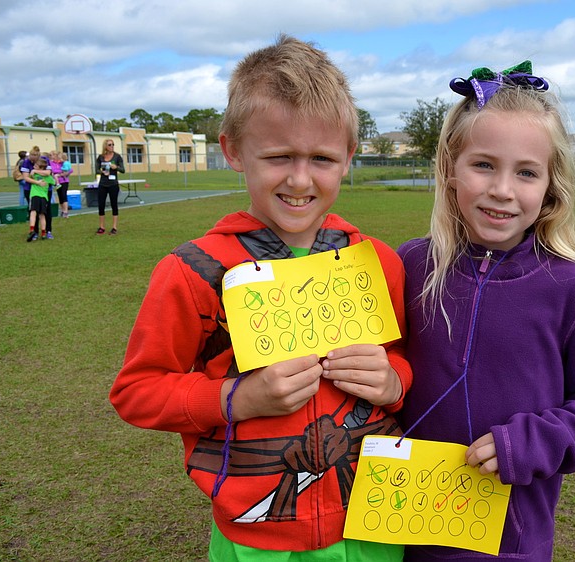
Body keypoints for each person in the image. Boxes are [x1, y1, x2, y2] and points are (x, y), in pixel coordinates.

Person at [109, 35, 411, 562]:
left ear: (348, 158)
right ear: (232, 151)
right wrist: (236, 399)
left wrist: (392, 381)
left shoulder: (378, 261)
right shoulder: (192, 271)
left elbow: (406, 363)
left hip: (373, 525)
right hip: (254, 538)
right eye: (278, 157)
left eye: (321, 158)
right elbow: (136, 392)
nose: (300, 179)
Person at [397, 61, 575, 562]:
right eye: (483, 165)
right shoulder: (409, 265)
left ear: (551, 186)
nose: (502, 189)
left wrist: (530, 443)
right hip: (397, 525)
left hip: (509, 538)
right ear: (449, 169)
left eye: (525, 172)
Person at [95, 139, 124, 234]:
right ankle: (101, 226)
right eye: (110, 145)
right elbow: (96, 170)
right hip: (103, 184)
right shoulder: (100, 157)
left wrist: (116, 167)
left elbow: (123, 170)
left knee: (114, 204)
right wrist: (102, 172)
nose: (112, 146)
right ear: (105, 146)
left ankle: (114, 227)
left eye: (113, 144)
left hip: (113, 184)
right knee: (101, 205)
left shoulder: (117, 157)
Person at [26, 157, 56, 242]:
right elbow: (55, 183)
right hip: (44, 197)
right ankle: (43, 233)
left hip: (35, 195)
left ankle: (32, 230)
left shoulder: (34, 174)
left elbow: (28, 177)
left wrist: (35, 172)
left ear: (41, 167)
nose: (34, 166)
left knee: (33, 212)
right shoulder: (48, 177)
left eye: (36, 165)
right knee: (42, 215)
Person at [51, 150, 73, 218]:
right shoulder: (51, 163)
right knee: (60, 195)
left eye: (53, 155)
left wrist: (63, 173)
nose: (52, 157)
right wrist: (57, 173)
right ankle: (63, 210)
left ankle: (66, 211)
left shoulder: (63, 163)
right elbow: (52, 170)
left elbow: (70, 169)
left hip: (64, 181)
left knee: (64, 195)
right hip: (57, 181)